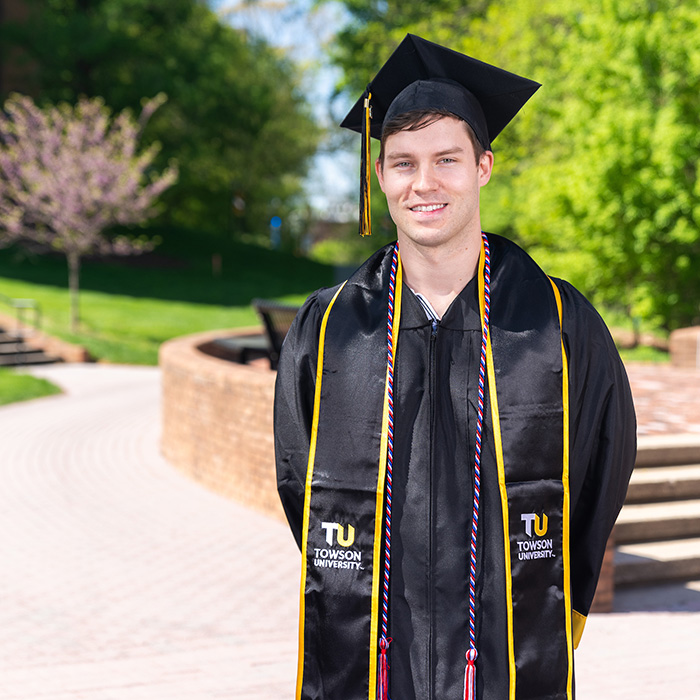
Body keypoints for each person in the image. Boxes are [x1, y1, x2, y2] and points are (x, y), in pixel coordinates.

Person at [274, 34, 636, 700]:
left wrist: (555, 596)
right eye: (404, 163)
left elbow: (600, 475)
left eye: (447, 159)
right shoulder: (328, 331)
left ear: (484, 167)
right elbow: (302, 487)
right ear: (380, 176)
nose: (425, 183)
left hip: (504, 659)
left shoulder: (556, 323)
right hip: (374, 658)